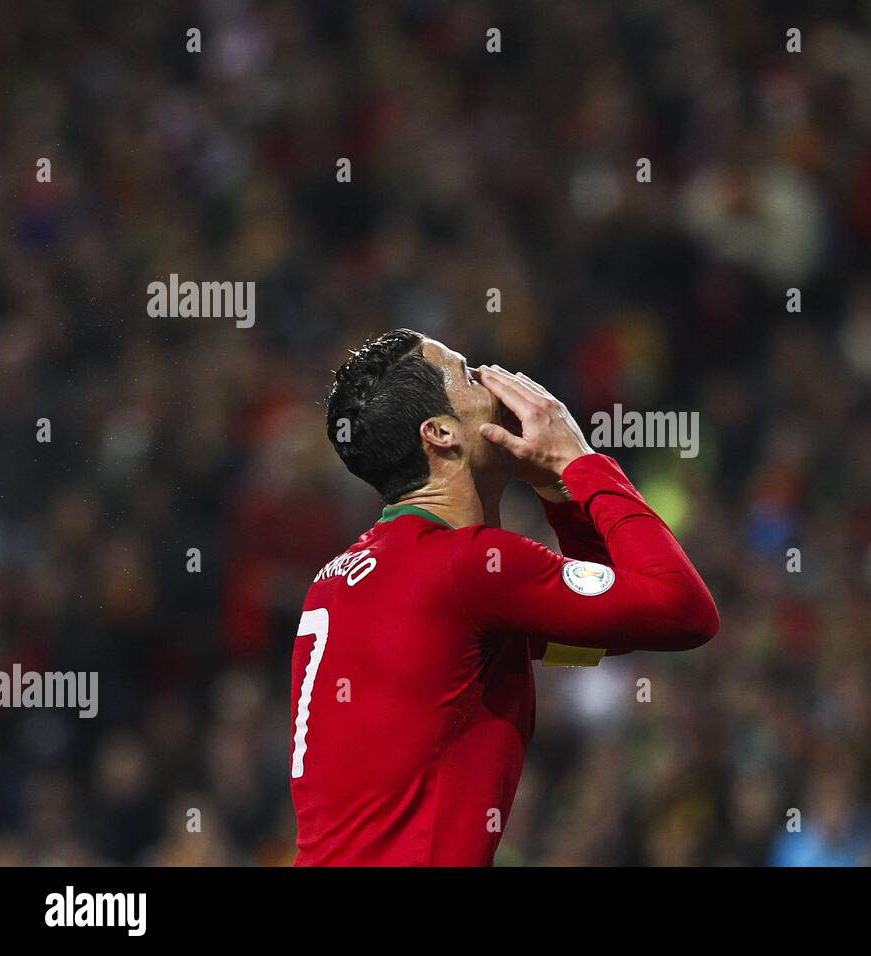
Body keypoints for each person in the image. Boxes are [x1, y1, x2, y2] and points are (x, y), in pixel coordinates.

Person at [289, 329, 719, 865]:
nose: (496, 379)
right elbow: (685, 610)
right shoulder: (469, 568)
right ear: (442, 432)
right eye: (469, 375)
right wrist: (579, 463)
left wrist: (557, 496)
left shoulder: (337, 580)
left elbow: (616, 629)